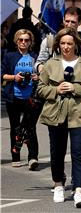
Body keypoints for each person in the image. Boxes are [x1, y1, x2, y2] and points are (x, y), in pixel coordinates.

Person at [37, 28, 81, 207]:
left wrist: (74, 88)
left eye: (69, 43)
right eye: (62, 43)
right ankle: (59, 185)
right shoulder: (50, 64)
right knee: (57, 152)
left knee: (78, 153)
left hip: (80, 115)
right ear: (58, 45)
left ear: (76, 45)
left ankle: (78, 191)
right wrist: (56, 90)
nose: (66, 47)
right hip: (55, 114)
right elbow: (40, 89)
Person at [36, 7, 81, 119]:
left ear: (80, 22)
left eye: (73, 22)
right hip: (56, 100)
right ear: (63, 20)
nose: (69, 24)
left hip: (80, 101)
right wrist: (41, 68)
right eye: (67, 21)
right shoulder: (50, 41)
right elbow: (39, 62)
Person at [2, 29, 40, 169]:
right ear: (16, 41)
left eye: (26, 40)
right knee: (15, 127)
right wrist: (14, 77)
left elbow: (43, 74)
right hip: (13, 96)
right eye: (21, 40)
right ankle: (15, 157)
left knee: (31, 127)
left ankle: (33, 157)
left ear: (31, 42)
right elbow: (2, 75)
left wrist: (38, 77)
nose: (23, 42)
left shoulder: (34, 57)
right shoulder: (10, 56)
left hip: (30, 97)